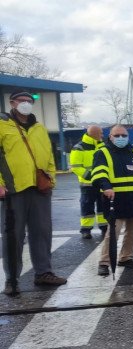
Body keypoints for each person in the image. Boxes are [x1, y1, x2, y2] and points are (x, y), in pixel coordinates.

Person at [0, 88, 67, 295]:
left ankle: (43, 273)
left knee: (42, 232)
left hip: (39, 188)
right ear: (12, 103)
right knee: (13, 235)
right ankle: (12, 279)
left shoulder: (39, 128)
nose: (27, 103)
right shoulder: (3, 125)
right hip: (13, 189)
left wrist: (51, 179)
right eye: (22, 100)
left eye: (30, 100)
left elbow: (48, 157)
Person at [91, 125, 133, 276]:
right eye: (117, 135)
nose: (121, 138)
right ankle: (104, 262)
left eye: (123, 135)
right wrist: (106, 187)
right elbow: (99, 173)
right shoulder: (102, 153)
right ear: (110, 137)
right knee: (113, 233)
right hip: (115, 200)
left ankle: (126, 257)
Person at [70, 125, 107, 239]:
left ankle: (104, 228)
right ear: (93, 134)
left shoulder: (104, 146)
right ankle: (86, 230)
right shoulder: (79, 147)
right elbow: (76, 166)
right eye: (100, 133)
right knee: (87, 207)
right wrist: (91, 176)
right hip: (88, 184)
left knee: (103, 207)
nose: (102, 135)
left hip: (101, 184)